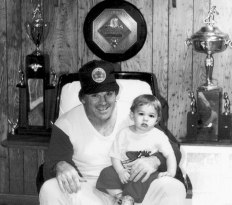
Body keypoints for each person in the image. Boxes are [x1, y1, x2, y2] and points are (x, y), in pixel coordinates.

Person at [39, 60, 186, 205]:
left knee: (173, 188)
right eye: (95, 95)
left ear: (116, 94)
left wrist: (155, 160)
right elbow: (49, 166)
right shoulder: (66, 124)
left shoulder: (135, 115)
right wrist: (59, 165)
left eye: (108, 94)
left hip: (136, 189)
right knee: (50, 189)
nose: (103, 102)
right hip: (89, 191)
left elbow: (174, 151)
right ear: (82, 98)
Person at [96, 94, 177, 205]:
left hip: (143, 172)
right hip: (125, 171)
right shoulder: (123, 133)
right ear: (132, 115)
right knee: (106, 173)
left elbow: (170, 155)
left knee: (146, 177)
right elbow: (114, 156)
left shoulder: (158, 135)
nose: (145, 119)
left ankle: (129, 198)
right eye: (141, 114)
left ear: (157, 120)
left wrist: (171, 172)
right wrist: (120, 171)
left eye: (151, 116)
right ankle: (119, 196)